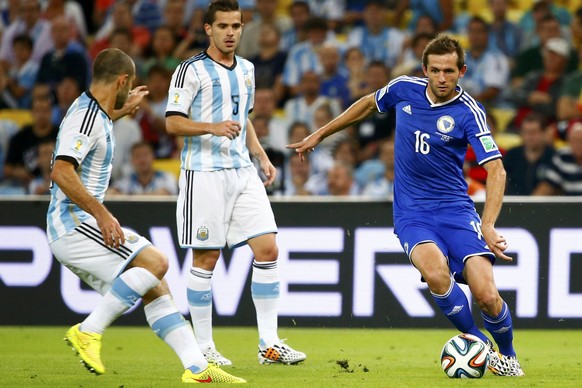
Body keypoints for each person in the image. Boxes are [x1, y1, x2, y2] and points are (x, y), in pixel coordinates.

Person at [288, 34, 524, 377]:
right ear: (424, 70)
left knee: (487, 294)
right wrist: (321, 133)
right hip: (413, 213)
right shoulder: (403, 89)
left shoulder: (469, 112)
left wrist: (487, 225)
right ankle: (477, 342)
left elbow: (496, 169)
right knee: (435, 273)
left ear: (462, 71)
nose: (442, 78)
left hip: (456, 210)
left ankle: (508, 354)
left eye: (450, 71)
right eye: (436, 70)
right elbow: (368, 104)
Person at [47, 47, 245, 383]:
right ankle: (88, 331)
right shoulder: (86, 117)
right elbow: (62, 171)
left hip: (78, 222)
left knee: (156, 285)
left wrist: (120, 110)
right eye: (130, 82)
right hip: (74, 222)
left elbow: (90, 132)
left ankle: (197, 368)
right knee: (156, 263)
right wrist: (103, 215)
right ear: (123, 80)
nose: (130, 87)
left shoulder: (93, 112)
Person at [165, 0, 306, 366]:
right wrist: (212, 127)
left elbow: (243, 119)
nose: (231, 33)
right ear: (208, 29)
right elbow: (173, 122)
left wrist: (260, 156)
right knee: (207, 258)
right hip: (204, 174)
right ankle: (204, 346)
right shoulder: (189, 71)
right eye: (223, 26)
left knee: (268, 249)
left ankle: (269, 344)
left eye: (236, 26)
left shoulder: (246, 69)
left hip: (242, 172)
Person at [504, 112, 554, 195]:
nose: (529, 137)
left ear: (544, 133)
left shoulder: (553, 157)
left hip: (543, 206)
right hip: (513, 205)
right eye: (526, 132)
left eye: (533, 132)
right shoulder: (512, 155)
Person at [109, 141, 178, 195]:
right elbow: (112, 193)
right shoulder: (127, 180)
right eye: (137, 156)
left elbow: (164, 195)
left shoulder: (167, 177)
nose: (142, 159)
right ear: (132, 160)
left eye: (145, 155)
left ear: (153, 157)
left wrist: (127, 196)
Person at [533, 121, 582, 196]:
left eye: (580, 141)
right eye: (575, 141)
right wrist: (532, 205)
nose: (578, 145)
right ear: (569, 141)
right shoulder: (563, 156)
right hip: (571, 206)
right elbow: (547, 186)